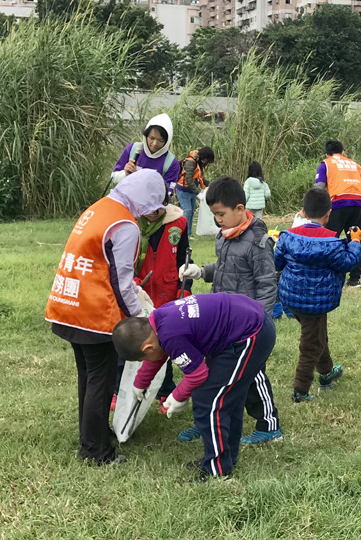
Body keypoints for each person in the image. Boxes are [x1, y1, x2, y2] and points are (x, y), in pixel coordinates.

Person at [45, 170, 167, 465]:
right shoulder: (124, 223)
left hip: (68, 305)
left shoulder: (100, 208)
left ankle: (92, 436)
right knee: (101, 379)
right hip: (93, 312)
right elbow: (121, 280)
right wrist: (139, 317)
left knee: (88, 377)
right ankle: (96, 452)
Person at [112, 293, 276, 481]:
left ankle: (217, 469)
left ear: (147, 348)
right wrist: (140, 383)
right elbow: (160, 353)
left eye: (143, 359)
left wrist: (177, 396)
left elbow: (197, 374)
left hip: (250, 334)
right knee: (226, 397)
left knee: (209, 401)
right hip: (242, 325)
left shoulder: (171, 335)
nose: (145, 362)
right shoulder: (158, 320)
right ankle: (225, 458)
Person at [177, 177, 281, 445]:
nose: (218, 220)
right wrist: (201, 271)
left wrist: (263, 321)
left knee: (252, 374)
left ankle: (268, 424)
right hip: (220, 320)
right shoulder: (225, 238)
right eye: (214, 215)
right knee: (213, 371)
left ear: (240, 208)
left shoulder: (258, 241)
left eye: (221, 214)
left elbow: (267, 283)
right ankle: (207, 421)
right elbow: (224, 268)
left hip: (248, 324)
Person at [275, 187, 361, 402]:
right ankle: (300, 390)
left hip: (291, 299)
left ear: (303, 212)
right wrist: (355, 243)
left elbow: (276, 262)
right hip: (316, 302)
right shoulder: (332, 242)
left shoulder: (287, 237)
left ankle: (326, 373)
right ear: (328, 214)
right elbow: (348, 263)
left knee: (316, 334)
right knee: (311, 344)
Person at [111, 191, 192, 413]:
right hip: (137, 295)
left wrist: (184, 289)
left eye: (159, 208)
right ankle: (118, 389)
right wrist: (132, 284)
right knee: (129, 342)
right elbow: (123, 261)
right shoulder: (130, 225)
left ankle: (165, 390)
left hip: (167, 295)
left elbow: (184, 258)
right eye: (148, 208)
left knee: (163, 346)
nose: (154, 213)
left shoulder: (179, 223)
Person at [314, 139, 361, 288]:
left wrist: (318, 209)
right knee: (356, 238)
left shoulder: (326, 164)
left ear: (327, 154)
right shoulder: (355, 165)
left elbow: (319, 188)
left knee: (330, 238)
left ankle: (328, 273)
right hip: (358, 202)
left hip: (337, 203)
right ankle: (355, 279)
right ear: (343, 152)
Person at [110, 114, 180, 195]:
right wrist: (125, 173)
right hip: (124, 202)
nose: (154, 144)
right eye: (151, 138)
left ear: (167, 141)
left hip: (150, 206)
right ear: (146, 135)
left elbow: (168, 194)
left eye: (160, 140)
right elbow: (113, 177)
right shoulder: (132, 149)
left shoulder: (171, 163)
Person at [176, 146, 215, 238]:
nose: (207, 162)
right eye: (207, 159)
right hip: (183, 190)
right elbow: (188, 179)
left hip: (191, 191)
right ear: (203, 156)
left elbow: (200, 177)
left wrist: (211, 185)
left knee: (192, 212)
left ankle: (189, 234)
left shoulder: (199, 164)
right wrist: (198, 193)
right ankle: (182, 234)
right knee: (187, 211)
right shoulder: (190, 162)